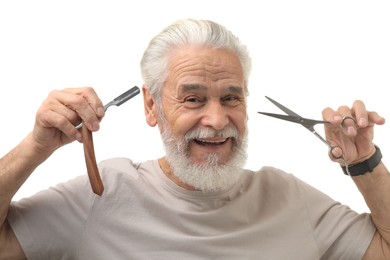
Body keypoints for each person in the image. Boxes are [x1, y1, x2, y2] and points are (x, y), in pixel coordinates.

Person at [0, 19, 389, 260]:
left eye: (231, 97)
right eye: (193, 99)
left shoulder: (287, 197)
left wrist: (366, 163)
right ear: (151, 106)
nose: (217, 120)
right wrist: (34, 148)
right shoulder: (101, 195)